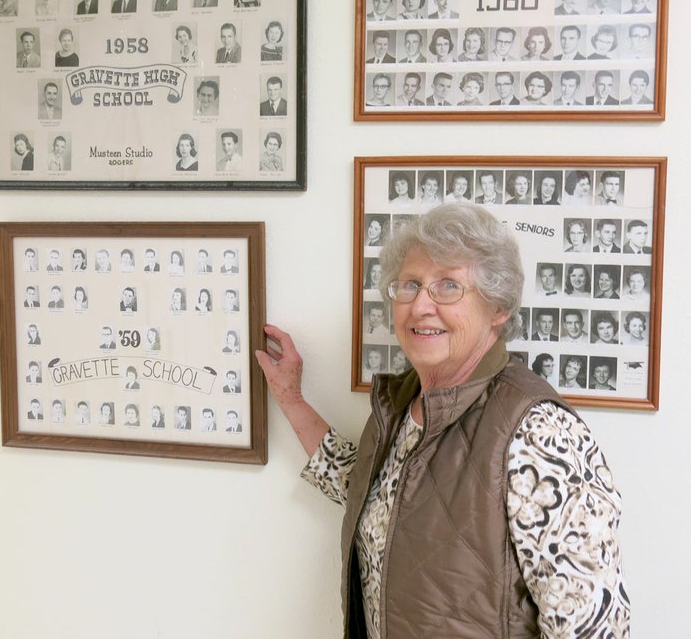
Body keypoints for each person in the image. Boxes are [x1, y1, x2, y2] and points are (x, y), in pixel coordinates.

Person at [258, 204, 628, 636]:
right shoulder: (401, 403)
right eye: (410, 285)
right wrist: (291, 398)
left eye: (448, 286)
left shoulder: (539, 431)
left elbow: (593, 627)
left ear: (498, 309)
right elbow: (365, 490)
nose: (420, 307)